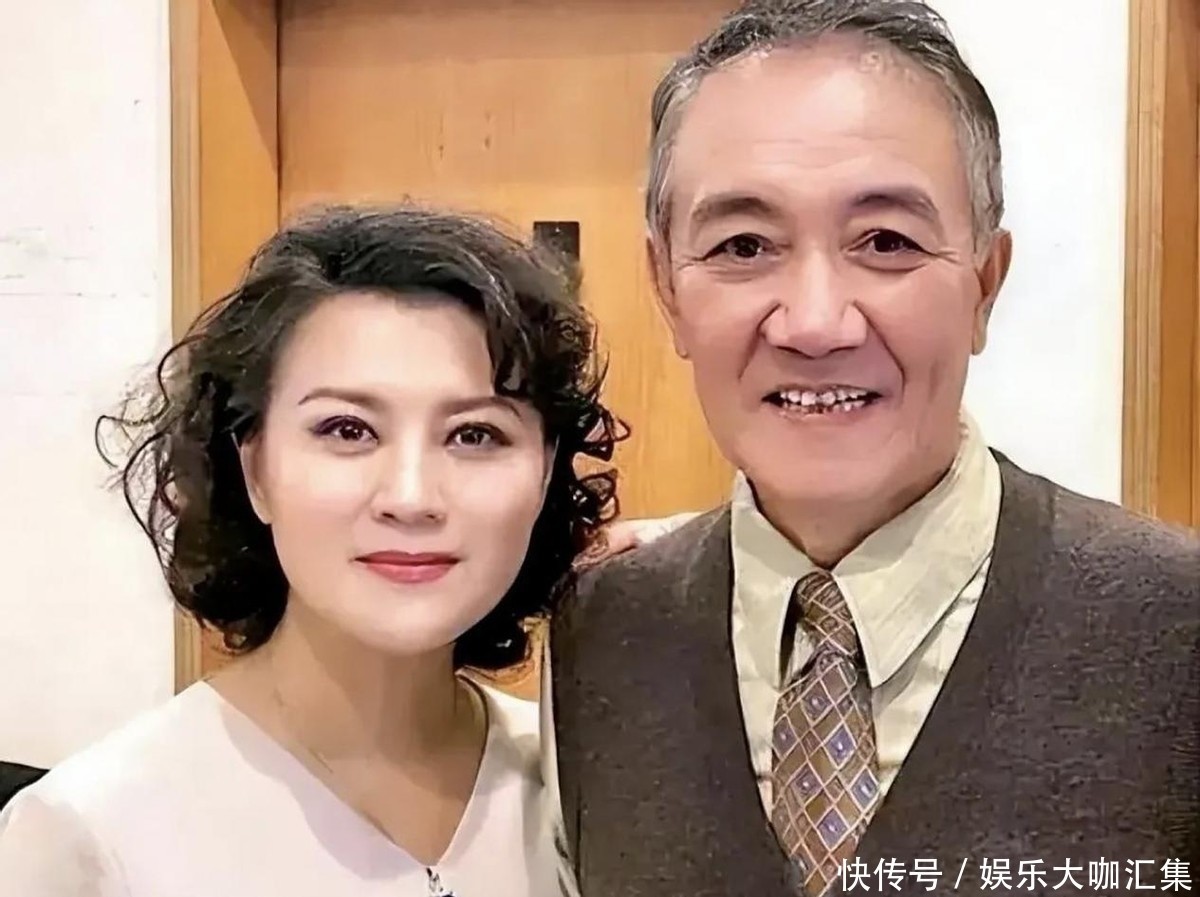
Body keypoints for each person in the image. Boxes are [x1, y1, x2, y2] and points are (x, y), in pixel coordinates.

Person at [542, 1, 1200, 895]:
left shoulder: (1174, 627)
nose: (816, 322)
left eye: (886, 242)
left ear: (985, 283)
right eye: (744, 245)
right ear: (667, 289)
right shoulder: (603, 631)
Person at [0, 204, 619, 896]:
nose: (410, 496)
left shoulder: (586, 791)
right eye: (347, 430)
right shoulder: (93, 833)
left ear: (545, 472)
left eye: (474, 435)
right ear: (255, 469)